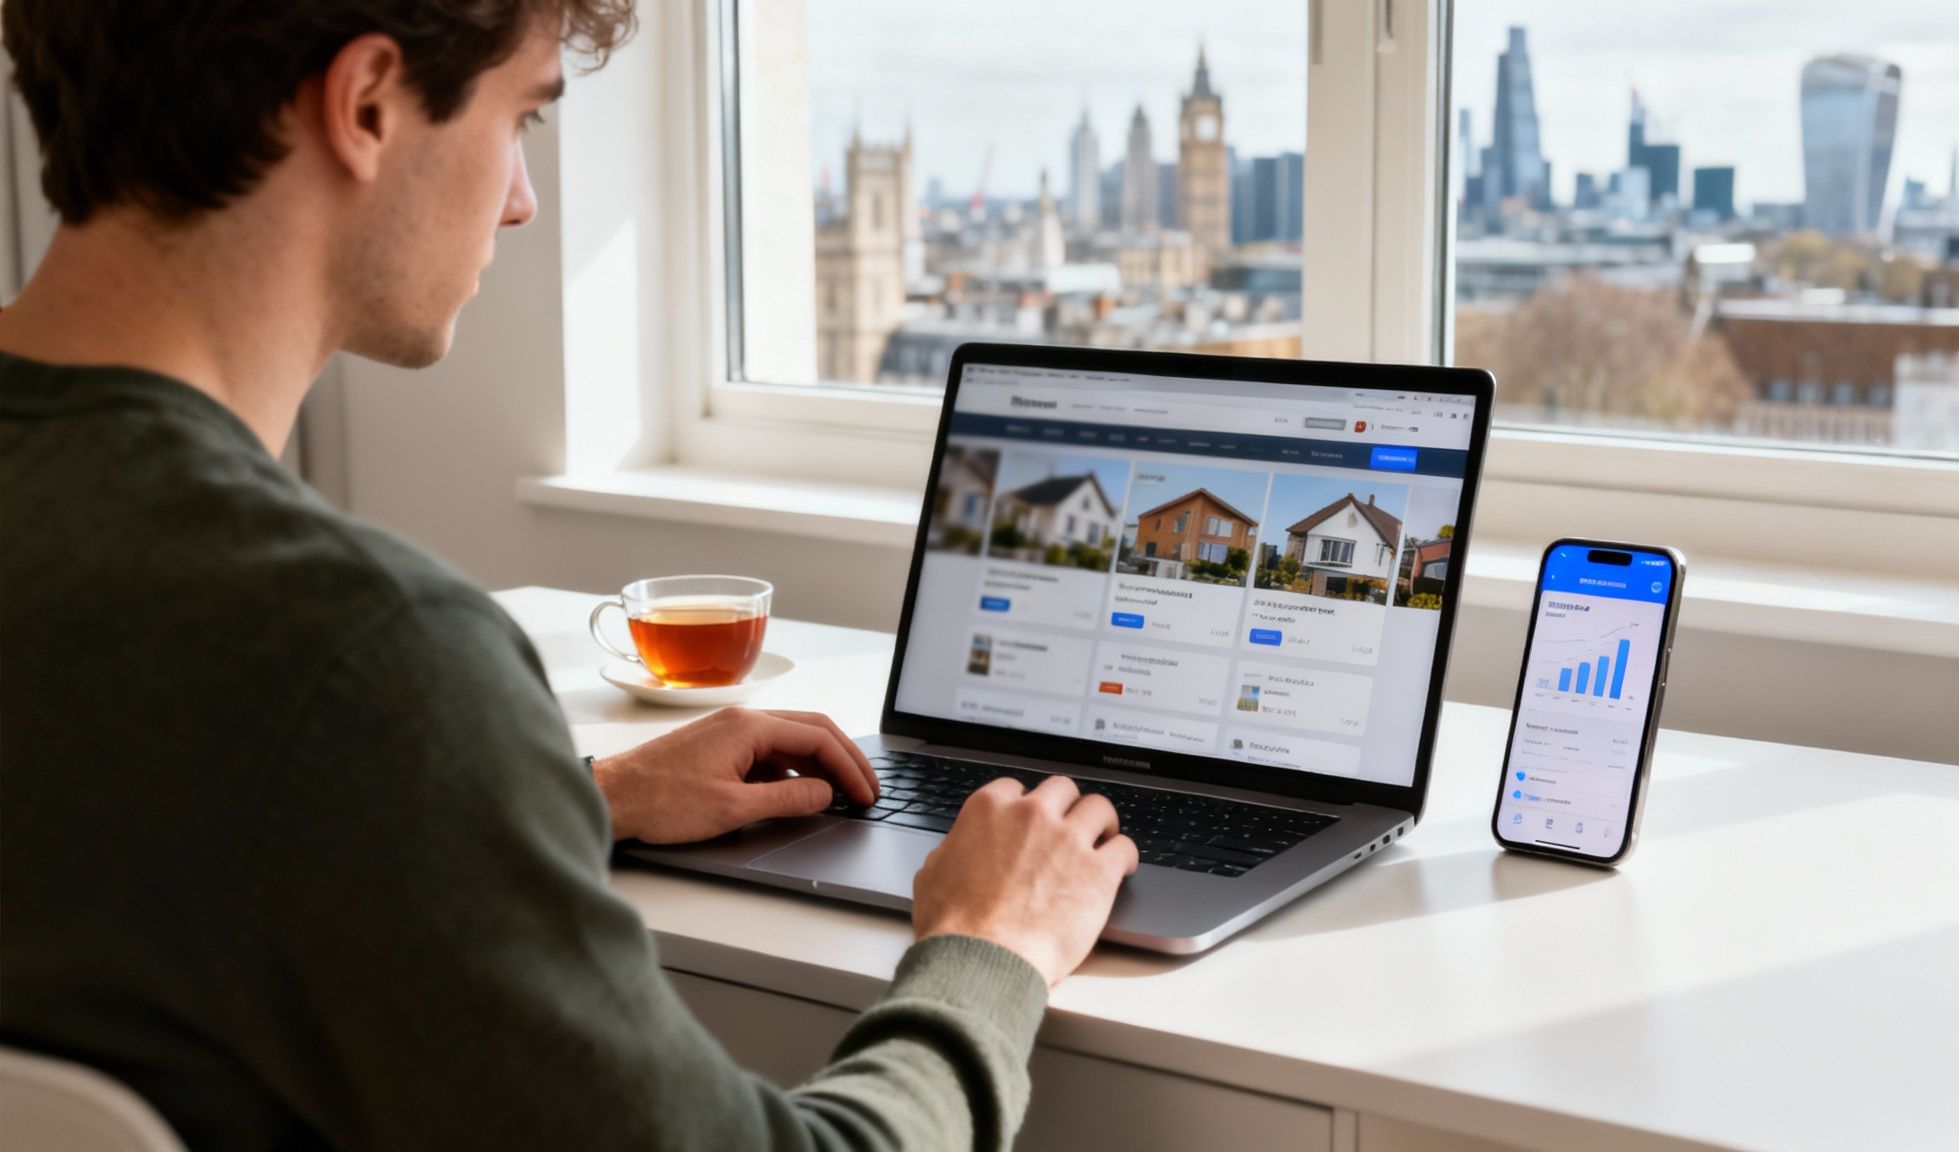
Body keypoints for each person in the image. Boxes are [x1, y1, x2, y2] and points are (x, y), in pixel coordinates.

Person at [0, 2, 1137, 1149]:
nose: (520, 198)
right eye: (522, 118)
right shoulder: (358, 652)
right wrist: (992, 945)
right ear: (366, 106)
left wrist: (563, 799)